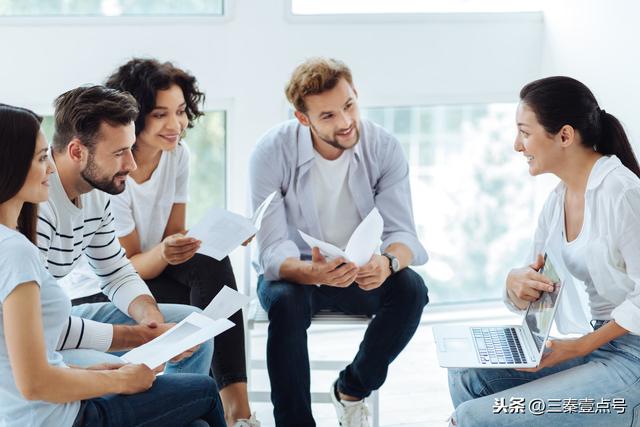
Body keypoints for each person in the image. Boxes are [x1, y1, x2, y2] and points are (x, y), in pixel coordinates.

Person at [0, 103, 225, 427]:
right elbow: (37, 370)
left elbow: (115, 269)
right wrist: (122, 375)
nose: (131, 165)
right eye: (40, 158)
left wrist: (147, 324)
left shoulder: (21, 236)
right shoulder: (20, 246)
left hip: (44, 396)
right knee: (204, 391)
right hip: (54, 413)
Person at [447, 76, 640, 426]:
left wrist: (580, 346)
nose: (517, 146)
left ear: (564, 136)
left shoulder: (622, 192)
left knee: (473, 418)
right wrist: (515, 284)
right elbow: (532, 288)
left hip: (633, 362)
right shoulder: (557, 202)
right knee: (466, 375)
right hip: (602, 346)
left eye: (524, 132)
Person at [73, 57, 254, 427]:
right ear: (135, 117)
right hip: (104, 290)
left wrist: (225, 234)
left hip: (148, 275)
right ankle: (209, 405)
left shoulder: (177, 156)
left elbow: (176, 239)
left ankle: (237, 410)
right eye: (160, 115)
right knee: (203, 290)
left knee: (211, 262)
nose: (176, 125)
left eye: (182, 112)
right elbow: (125, 267)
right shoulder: (114, 169)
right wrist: (166, 251)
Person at [250, 57, 429, 427]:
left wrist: (388, 263)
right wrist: (311, 271)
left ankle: (351, 389)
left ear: (356, 95)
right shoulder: (270, 152)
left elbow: (403, 234)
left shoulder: (383, 147)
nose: (346, 122)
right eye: (328, 116)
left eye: (349, 106)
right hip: (298, 277)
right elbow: (271, 250)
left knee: (412, 288)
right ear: (303, 119)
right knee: (283, 301)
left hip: (359, 273)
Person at [36, 85, 213, 375]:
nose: (130, 164)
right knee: (123, 371)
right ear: (77, 151)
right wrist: (139, 336)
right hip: (40, 334)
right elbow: (35, 321)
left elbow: (116, 271)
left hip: (62, 317)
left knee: (192, 328)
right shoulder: (37, 204)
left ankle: (176, 406)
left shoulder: (97, 192)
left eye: (130, 149)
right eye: (120, 153)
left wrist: (150, 318)